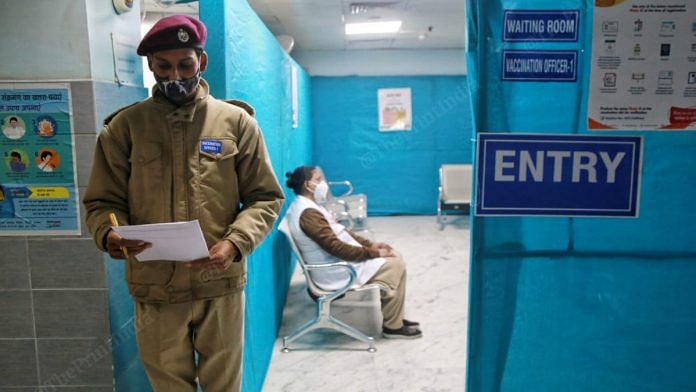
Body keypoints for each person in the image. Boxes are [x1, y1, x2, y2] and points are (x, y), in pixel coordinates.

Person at [83, 15, 284, 392]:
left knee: (223, 387)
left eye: (185, 64)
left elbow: (265, 197)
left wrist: (236, 243)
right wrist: (108, 233)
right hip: (156, 287)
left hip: (219, 284)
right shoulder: (124, 128)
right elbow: (102, 201)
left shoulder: (237, 123)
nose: (174, 75)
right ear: (151, 66)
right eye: (163, 66)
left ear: (201, 62)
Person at [285, 166, 422, 339]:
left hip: (336, 262)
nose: (323, 184)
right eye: (318, 180)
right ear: (307, 184)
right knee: (395, 264)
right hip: (335, 271)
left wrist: (372, 246)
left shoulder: (309, 206)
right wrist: (374, 254)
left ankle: (395, 318)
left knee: (393, 255)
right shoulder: (309, 214)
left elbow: (342, 232)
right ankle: (393, 327)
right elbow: (338, 248)